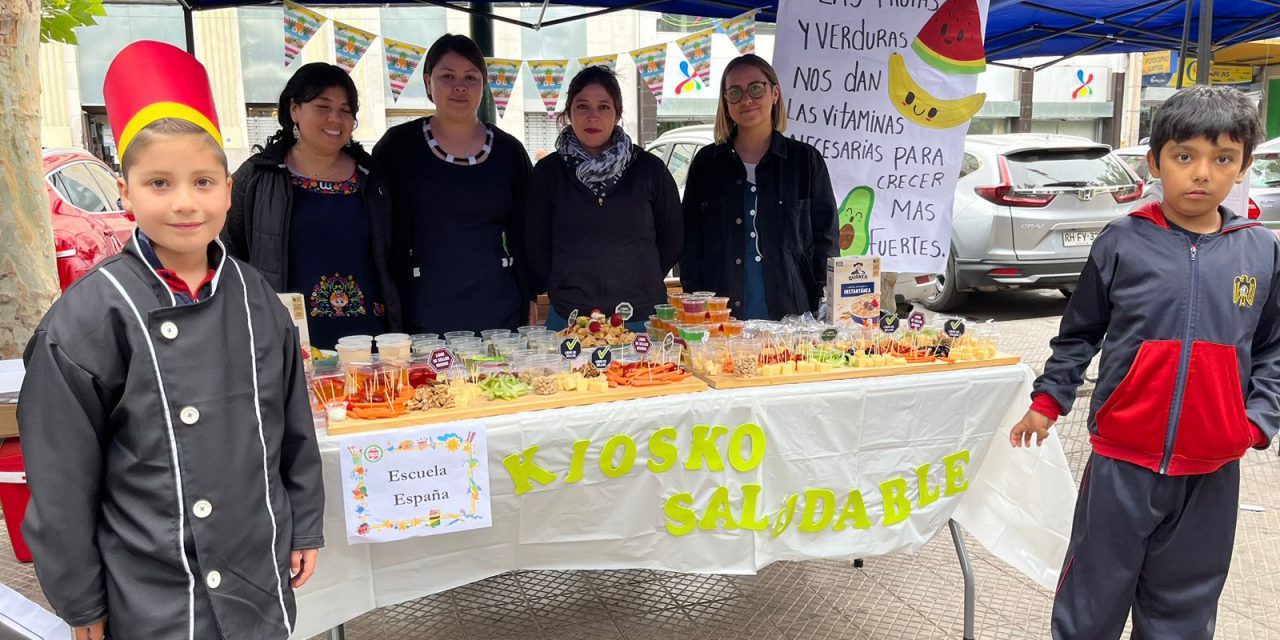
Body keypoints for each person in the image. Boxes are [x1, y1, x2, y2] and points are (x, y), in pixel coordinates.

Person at [17, 41, 324, 639]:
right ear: (125, 192)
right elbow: (60, 479)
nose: (185, 202)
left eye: (203, 181)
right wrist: (81, 601)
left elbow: (293, 424)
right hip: (151, 587)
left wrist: (304, 524)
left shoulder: (258, 296)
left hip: (258, 569)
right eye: (159, 182)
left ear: (228, 191)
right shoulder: (88, 319)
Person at [1010, 86, 1277, 640]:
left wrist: (1254, 422)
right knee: (1094, 600)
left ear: (1242, 167)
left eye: (1222, 159)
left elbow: (1273, 347)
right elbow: (1078, 333)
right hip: (1122, 461)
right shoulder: (1122, 242)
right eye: (1185, 157)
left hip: (1211, 467)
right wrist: (1047, 402)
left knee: (1183, 606)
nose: (1201, 173)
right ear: (1155, 162)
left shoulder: (1259, 249)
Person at [224, 62, 400, 349]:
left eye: (345, 110)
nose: (335, 118)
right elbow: (229, 251)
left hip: (369, 336)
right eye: (323, 106)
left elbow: (391, 254)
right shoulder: (260, 175)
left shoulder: (373, 178)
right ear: (294, 110)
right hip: (292, 337)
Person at [374, 34, 532, 334]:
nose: (460, 86)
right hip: (421, 309)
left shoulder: (509, 152)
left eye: (470, 77)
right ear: (427, 82)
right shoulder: (397, 147)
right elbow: (379, 230)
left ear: (483, 85)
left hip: (499, 307)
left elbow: (526, 232)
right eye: (447, 76)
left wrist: (531, 298)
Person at [679, 54, 837, 320]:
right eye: (735, 92)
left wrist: (826, 302)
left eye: (756, 88)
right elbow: (690, 243)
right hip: (722, 319)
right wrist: (697, 302)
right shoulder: (707, 164)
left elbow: (827, 240)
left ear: (774, 93)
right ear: (725, 102)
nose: (746, 100)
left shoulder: (805, 162)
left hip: (795, 316)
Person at [525, 65, 681, 331]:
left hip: (641, 316)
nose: (592, 117)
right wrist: (562, 283)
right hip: (570, 317)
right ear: (569, 112)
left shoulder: (649, 169)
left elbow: (673, 238)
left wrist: (643, 278)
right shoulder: (549, 172)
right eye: (583, 106)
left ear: (617, 114)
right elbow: (535, 242)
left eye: (604, 107)